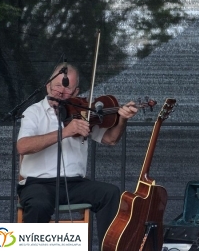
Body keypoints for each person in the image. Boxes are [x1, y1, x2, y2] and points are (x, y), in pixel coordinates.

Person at [17, 62, 139, 241]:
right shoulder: (33, 112)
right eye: (57, 85)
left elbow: (111, 139)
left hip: (75, 184)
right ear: (48, 86)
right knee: (38, 204)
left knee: (110, 193)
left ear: (76, 92)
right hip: (37, 184)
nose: (60, 91)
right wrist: (65, 132)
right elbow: (23, 146)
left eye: (67, 88)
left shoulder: (83, 113)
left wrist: (122, 120)